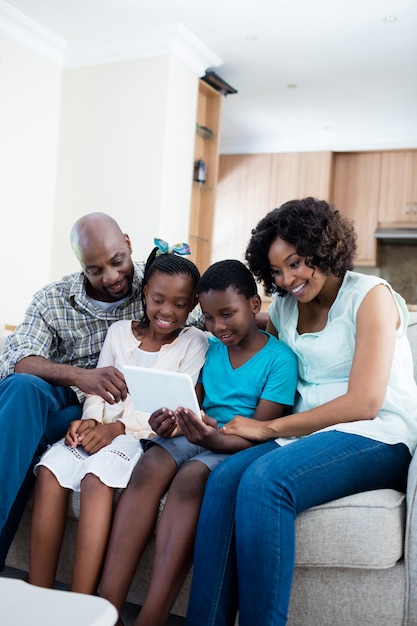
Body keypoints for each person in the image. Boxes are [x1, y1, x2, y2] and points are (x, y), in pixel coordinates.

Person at [185, 197, 417, 626]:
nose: (287, 279)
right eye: (276, 271)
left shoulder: (370, 297)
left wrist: (265, 427)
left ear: (322, 248)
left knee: (265, 481)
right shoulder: (286, 309)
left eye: (296, 263)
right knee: (222, 480)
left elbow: (364, 401)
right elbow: (232, 324)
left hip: (377, 433)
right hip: (306, 436)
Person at [98, 259, 298, 626]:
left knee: (191, 476)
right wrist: (171, 422)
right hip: (202, 433)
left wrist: (214, 438)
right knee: (152, 463)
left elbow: (262, 431)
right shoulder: (210, 346)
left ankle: (151, 618)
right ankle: (104, 611)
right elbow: (194, 399)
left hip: (243, 444)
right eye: (208, 317)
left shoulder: (280, 360)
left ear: (255, 306)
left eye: (227, 314)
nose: (218, 326)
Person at [0, 212, 201, 569]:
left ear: (127, 243)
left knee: (29, 447)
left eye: (117, 262)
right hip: (61, 402)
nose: (110, 277)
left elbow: (208, 314)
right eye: (95, 270)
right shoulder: (54, 300)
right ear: (81, 266)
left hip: (106, 419)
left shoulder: (159, 283)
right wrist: (81, 376)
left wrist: (260, 319)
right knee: (22, 389)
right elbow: (17, 359)